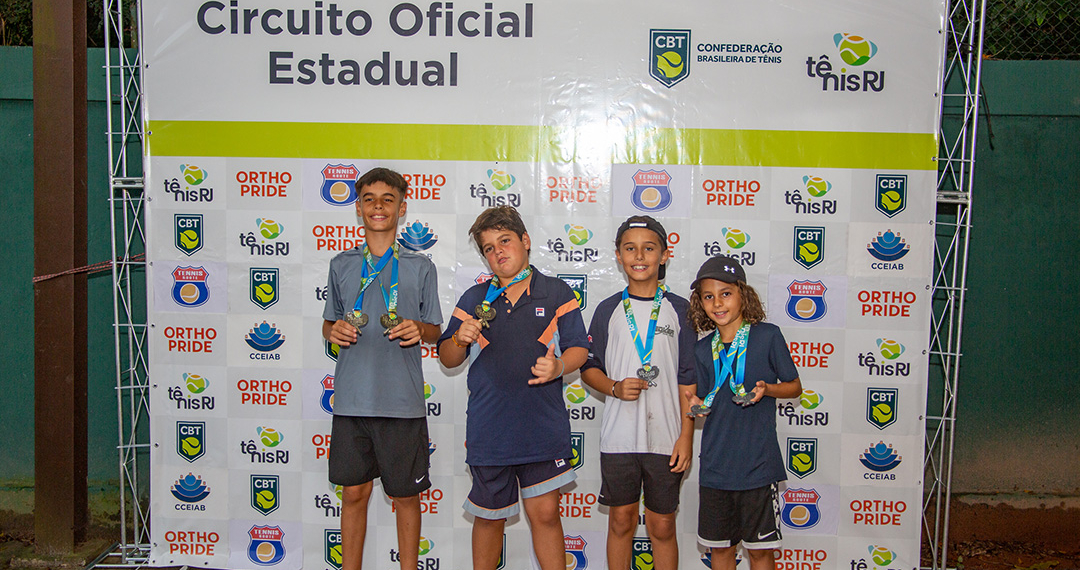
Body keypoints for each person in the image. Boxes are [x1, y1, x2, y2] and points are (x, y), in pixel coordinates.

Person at [437, 205, 589, 570]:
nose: (498, 252)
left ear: (526, 241)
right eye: (489, 248)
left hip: (542, 427)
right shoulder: (474, 299)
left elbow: (579, 349)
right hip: (490, 430)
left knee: (546, 514)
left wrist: (559, 366)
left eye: (505, 241)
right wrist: (458, 339)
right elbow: (447, 358)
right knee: (489, 518)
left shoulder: (556, 292)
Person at [321, 167, 443, 570]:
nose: (378, 206)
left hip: (402, 403)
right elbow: (329, 322)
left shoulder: (421, 266)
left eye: (388, 199)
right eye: (369, 199)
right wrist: (334, 330)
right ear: (358, 208)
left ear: (401, 208)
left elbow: (435, 330)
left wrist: (418, 328)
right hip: (352, 400)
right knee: (354, 494)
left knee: (405, 497)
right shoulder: (341, 264)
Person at [579, 216, 696, 569]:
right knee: (620, 521)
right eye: (630, 248)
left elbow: (688, 378)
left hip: (667, 437)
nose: (639, 256)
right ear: (618, 256)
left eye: (649, 248)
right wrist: (614, 387)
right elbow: (589, 368)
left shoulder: (681, 310)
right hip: (620, 438)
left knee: (662, 526)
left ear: (665, 255)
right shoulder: (608, 309)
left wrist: (686, 436)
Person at [686, 255, 803, 570]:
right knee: (721, 551)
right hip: (716, 468)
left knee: (761, 552)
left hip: (757, 466)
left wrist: (768, 389)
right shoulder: (702, 349)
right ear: (700, 303)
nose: (717, 303)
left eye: (725, 293)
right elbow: (706, 400)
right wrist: (696, 405)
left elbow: (795, 387)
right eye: (708, 297)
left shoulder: (768, 336)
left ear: (743, 294)